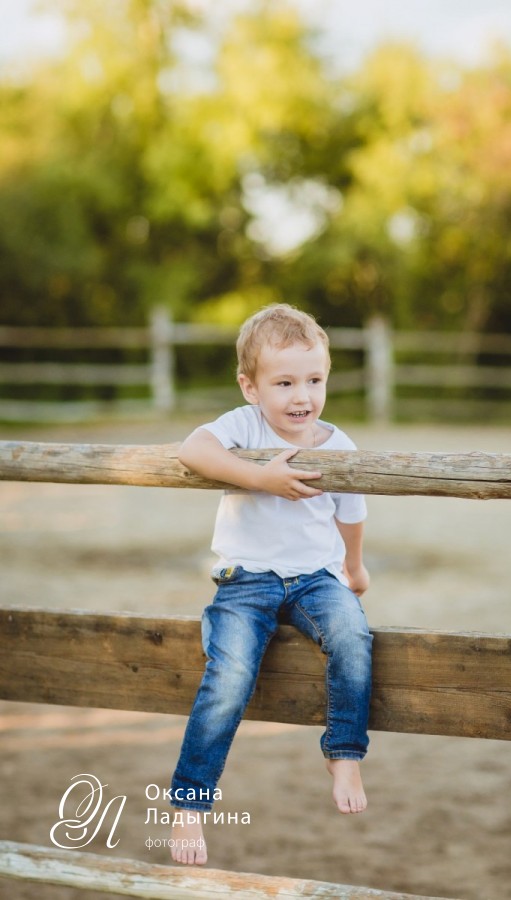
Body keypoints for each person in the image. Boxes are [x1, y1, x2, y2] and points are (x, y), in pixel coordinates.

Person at [169, 303, 373, 865]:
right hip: (246, 582)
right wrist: (260, 477)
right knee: (230, 674)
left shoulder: (339, 444)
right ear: (251, 386)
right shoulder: (244, 425)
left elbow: (351, 516)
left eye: (314, 380)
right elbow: (192, 450)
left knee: (353, 637)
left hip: (316, 580)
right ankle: (189, 805)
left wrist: (354, 570)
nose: (301, 396)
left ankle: (344, 754)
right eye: (284, 383)